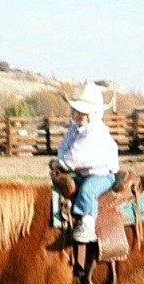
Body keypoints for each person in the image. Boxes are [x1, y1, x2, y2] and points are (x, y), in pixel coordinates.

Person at [49, 81, 119, 243]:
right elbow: (64, 146)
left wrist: (61, 164)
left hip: (101, 174)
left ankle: (88, 224)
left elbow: (78, 155)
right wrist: (59, 160)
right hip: (83, 173)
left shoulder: (95, 132)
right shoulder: (74, 130)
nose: (81, 114)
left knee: (88, 190)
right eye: (77, 110)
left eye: (85, 112)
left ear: (95, 113)